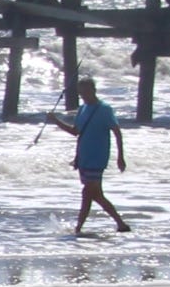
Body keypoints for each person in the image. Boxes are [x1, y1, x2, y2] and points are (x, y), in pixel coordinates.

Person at [48, 74, 129, 235]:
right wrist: (55, 120)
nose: (83, 97)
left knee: (88, 193)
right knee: (95, 195)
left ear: (94, 91)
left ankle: (79, 228)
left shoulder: (105, 109)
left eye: (86, 93)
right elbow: (76, 132)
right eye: (81, 94)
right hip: (83, 158)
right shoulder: (83, 109)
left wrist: (120, 157)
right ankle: (120, 224)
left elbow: (117, 133)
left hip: (97, 158)